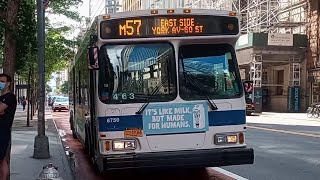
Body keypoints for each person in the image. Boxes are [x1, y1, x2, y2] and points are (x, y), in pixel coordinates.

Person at [0, 74, 17, 180]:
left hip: (2, 131)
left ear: (8, 83)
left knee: (2, 159)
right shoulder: (1, 97)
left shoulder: (10, 97)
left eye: (2, 81)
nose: (0, 83)